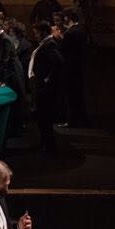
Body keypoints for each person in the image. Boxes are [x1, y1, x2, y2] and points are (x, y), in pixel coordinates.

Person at [29, 19, 66, 153]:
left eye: (37, 33)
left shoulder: (49, 44)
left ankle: (49, 146)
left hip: (45, 89)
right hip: (41, 85)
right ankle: (45, 143)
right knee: (42, 117)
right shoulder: (46, 43)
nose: (35, 35)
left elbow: (58, 63)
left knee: (44, 117)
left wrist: (47, 79)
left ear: (44, 32)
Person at [60, 9, 89, 127]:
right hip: (79, 66)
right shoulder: (82, 30)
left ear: (68, 18)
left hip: (69, 67)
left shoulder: (70, 33)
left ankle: (71, 120)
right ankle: (82, 118)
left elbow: (64, 49)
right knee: (78, 94)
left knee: (70, 95)